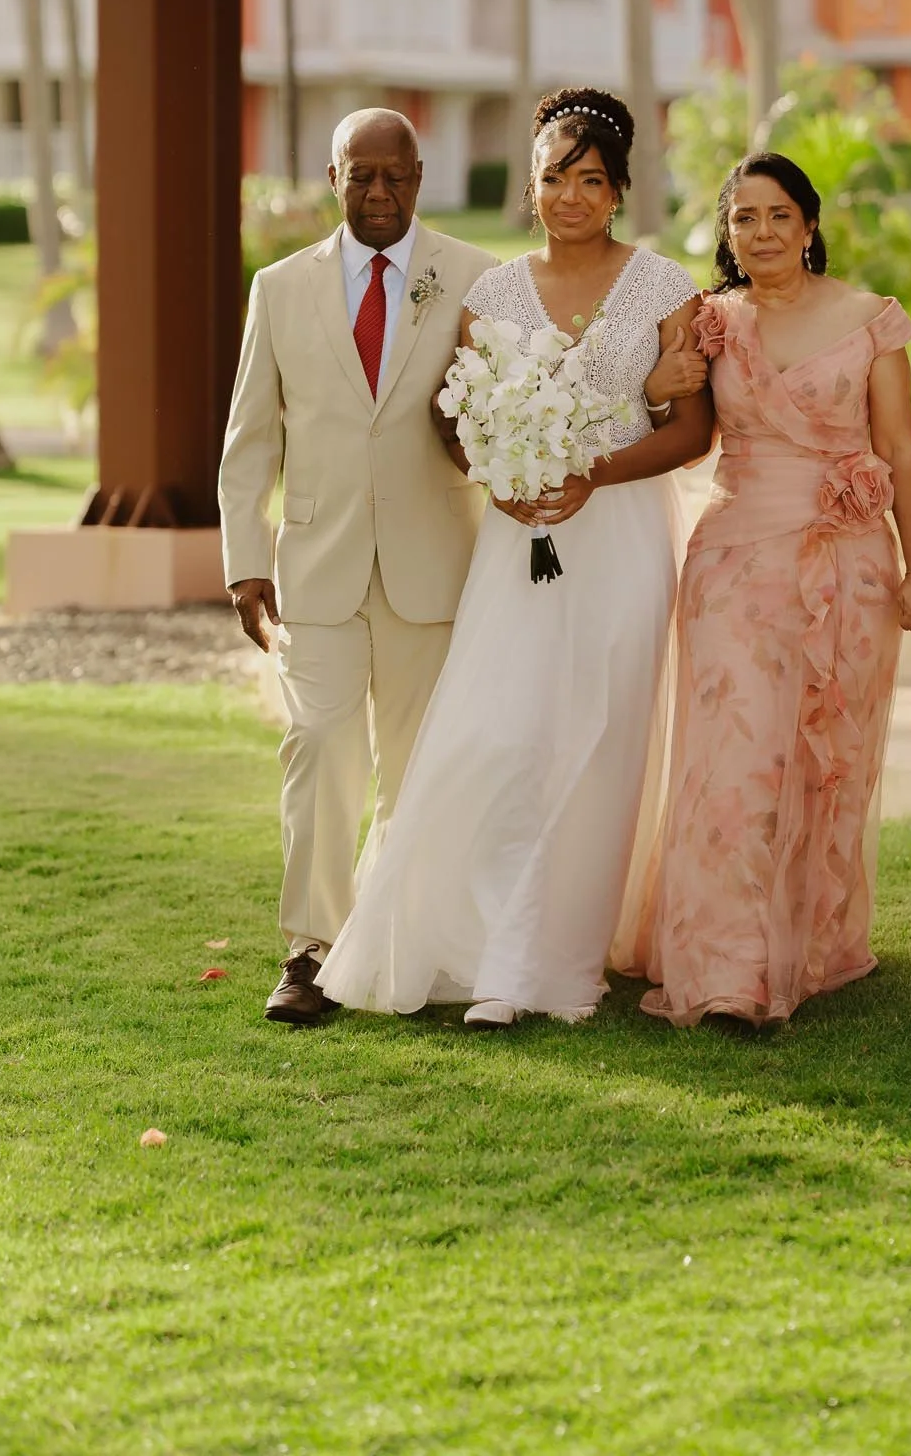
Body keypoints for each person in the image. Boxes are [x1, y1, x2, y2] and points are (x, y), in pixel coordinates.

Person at [316, 87, 713, 1028]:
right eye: (551, 179)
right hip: (517, 541)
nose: (568, 196)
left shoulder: (664, 289)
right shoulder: (489, 294)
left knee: (594, 741)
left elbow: (694, 428)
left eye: (588, 180)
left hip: (620, 537)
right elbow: (457, 417)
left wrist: (592, 474)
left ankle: (535, 964)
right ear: (529, 189)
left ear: (616, 189)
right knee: (496, 731)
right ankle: (457, 942)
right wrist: (495, 472)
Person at [632, 152, 911, 1029]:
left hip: (849, 565)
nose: (759, 234)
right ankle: (725, 970)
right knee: (735, 761)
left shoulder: (869, 320)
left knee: (824, 759)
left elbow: (903, 451)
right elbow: (684, 437)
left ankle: (808, 944)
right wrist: (658, 392)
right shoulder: (708, 321)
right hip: (733, 563)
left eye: (776, 216)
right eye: (742, 219)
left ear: (807, 225)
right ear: (725, 233)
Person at [218, 109, 496, 1025]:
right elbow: (250, 440)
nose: (379, 194)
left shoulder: (473, 278)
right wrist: (245, 565)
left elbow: (491, 424)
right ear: (333, 177)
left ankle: (403, 943)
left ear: (419, 176)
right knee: (320, 750)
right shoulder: (278, 288)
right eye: (360, 176)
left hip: (434, 563)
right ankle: (311, 951)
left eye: (396, 177)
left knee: (416, 765)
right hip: (317, 564)